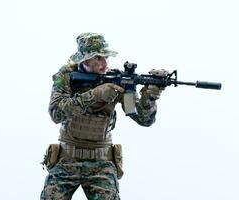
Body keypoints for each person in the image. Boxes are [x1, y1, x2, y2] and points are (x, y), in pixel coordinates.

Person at [40, 33, 168, 200]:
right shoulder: (66, 76)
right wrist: (95, 95)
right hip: (66, 159)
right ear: (84, 60)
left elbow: (143, 119)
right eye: (98, 58)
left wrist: (149, 97)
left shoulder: (118, 82)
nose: (104, 63)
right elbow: (56, 113)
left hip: (101, 163)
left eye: (105, 57)